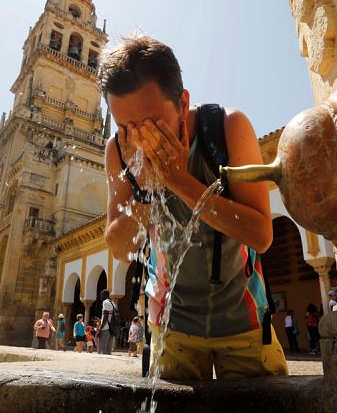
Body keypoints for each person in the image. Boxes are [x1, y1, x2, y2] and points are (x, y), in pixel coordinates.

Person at [100, 34, 288, 380]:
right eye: (126, 127)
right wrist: (145, 189)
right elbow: (119, 248)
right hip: (171, 328)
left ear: (183, 104)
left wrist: (177, 179)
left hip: (244, 323)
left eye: (153, 123)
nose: (141, 138)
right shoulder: (119, 152)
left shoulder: (227, 128)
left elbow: (260, 235)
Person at [98, 289, 115, 355]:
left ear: (104, 295)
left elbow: (105, 316)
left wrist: (100, 328)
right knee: (108, 350)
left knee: (103, 349)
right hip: (111, 328)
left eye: (101, 295)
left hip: (106, 327)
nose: (101, 297)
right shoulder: (112, 302)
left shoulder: (105, 302)